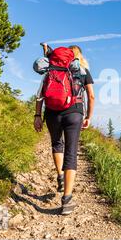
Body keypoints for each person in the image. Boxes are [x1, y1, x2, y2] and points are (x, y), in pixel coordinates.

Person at [33, 45, 95, 215]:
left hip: (52, 114)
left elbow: (40, 95)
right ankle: (67, 199)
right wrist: (88, 116)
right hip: (74, 113)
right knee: (71, 152)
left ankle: (60, 176)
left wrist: (37, 115)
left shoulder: (50, 70)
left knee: (56, 143)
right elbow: (91, 96)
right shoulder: (82, 71)